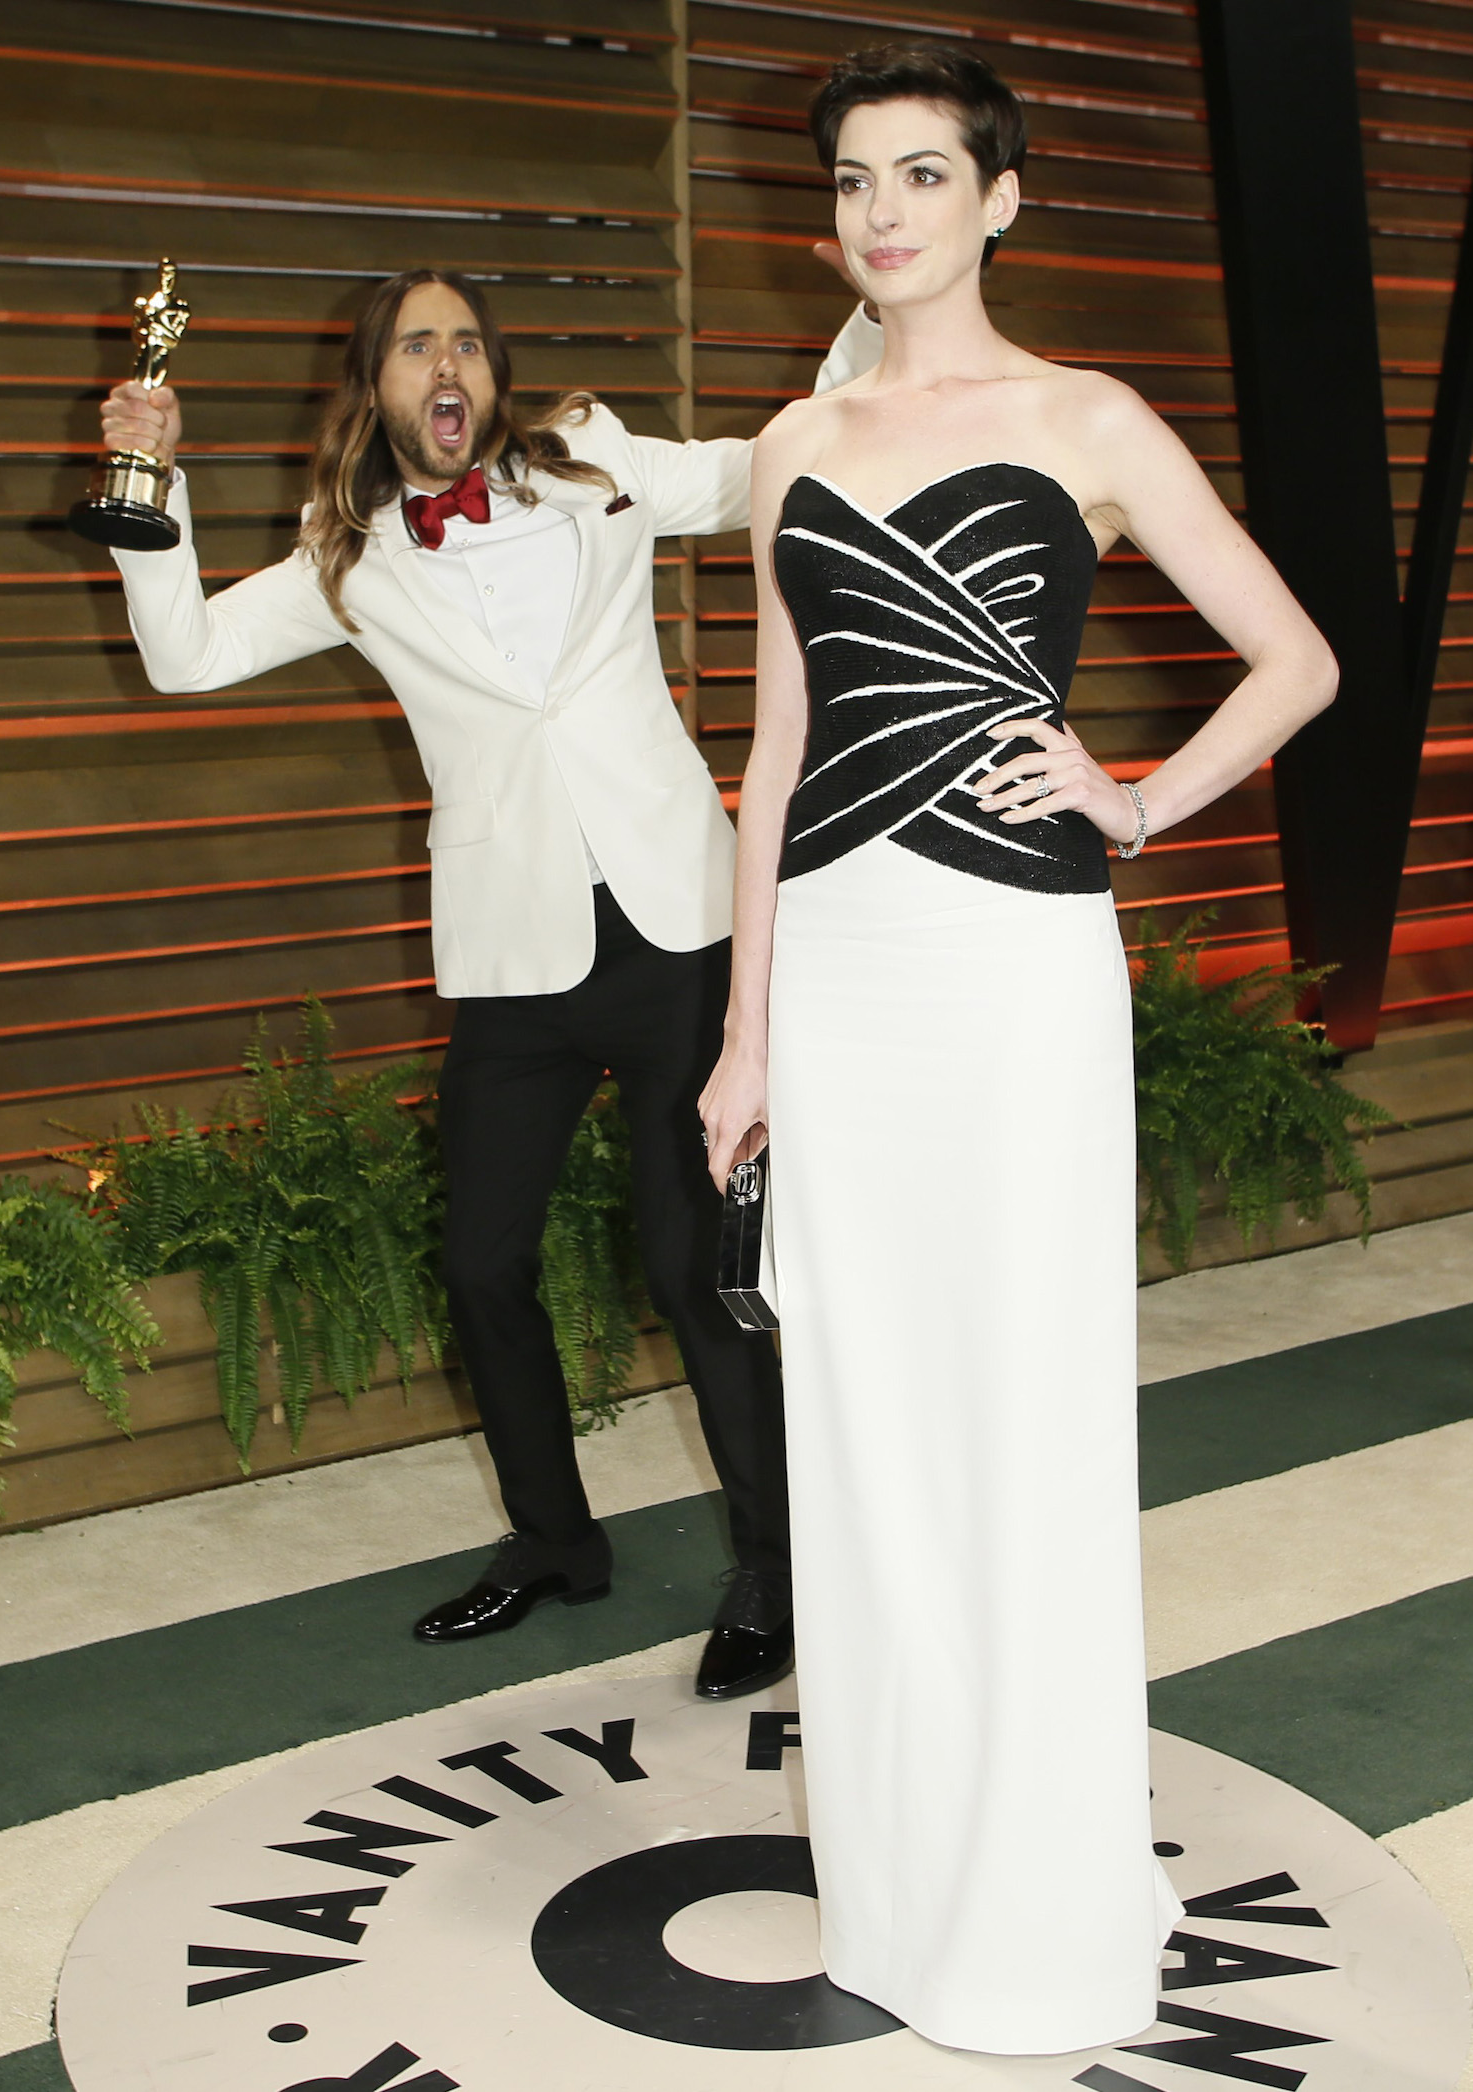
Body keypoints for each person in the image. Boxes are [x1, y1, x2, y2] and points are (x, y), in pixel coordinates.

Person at [699, 42, 1337, 2055]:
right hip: (851, 973)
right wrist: (748, 1033)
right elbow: (779, 753)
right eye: (857, 182)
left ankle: (1044, 1901)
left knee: (1025, 1419)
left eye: (924, 173)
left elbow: (1300, 657)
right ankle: (897, 1893)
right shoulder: (790, 446)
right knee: (865, 1435)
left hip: (1015, 962)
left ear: (1001, 199)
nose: (884, 210)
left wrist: (1138, 797)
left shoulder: (1089, 416)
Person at [99, 268, 878, 1702]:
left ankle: (774, 1566)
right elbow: (183, 654)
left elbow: (788, 452)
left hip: (678, 936)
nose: (444, 364)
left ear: (493, 371)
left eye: (465, 340)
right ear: (378, 386)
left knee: (684, 1262)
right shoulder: (350, 558)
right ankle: (554, 1540)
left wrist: (890, 317)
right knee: (480, 1264)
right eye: (415, 346)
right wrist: (149, 478)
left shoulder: (599, 467)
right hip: (514, 966)